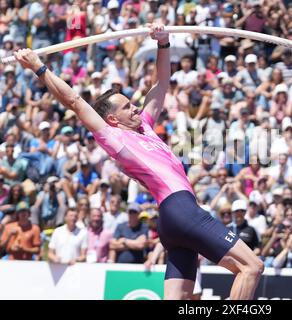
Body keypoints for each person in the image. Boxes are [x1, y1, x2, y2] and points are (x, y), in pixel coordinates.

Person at [14, 23, 264, 300]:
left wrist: (163, 43)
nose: (135, 107)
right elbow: (74, 100)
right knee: (251, 267)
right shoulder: (113, 137)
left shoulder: (144, 125)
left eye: (133, 103)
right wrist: (37, 66)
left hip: (173, 222)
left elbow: (163, 81)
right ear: (112, 119)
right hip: (181, 209)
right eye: (127, 107)